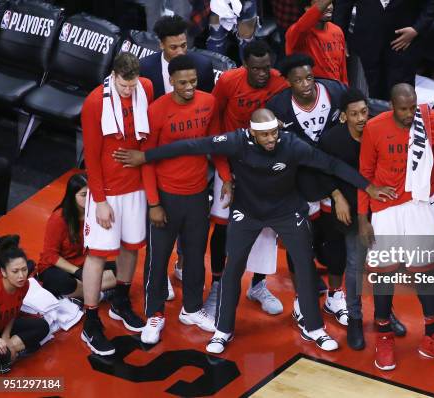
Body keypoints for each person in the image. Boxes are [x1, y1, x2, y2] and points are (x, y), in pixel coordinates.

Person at [113, 108, 396, 354]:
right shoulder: (236, 142)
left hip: (286, 210)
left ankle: (313, 327)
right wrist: (145, 156)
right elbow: (192, 145)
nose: (272, 139)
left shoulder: (292, 144)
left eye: (275, 133)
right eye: (266, 135)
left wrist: (367, 186)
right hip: (247, 212)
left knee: (305, 267)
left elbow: (332, 164)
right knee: (233, 267)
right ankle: (223, 330)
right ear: (252, 133)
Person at [358, 83, 434, 371]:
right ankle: (384, 335)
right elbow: (365, 174)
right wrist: (362, 218)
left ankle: (433, 339)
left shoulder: (432, 122)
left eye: (412, 107)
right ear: (392, 106)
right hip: (386, 209)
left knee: (428, 274)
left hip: (422, 204)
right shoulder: (374, 127)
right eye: (402, 109)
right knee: (384, 275)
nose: (408, 114)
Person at [140, 55, 232, 344]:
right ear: (171, 82)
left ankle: (191, 308)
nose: (190, 86)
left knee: (194, 257)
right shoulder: (156, 111)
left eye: (193, 81)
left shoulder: (208, 103)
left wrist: (226, 177)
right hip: (165, 198)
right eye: (183, 82)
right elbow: (146, 161)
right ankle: (154, 314)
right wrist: (154, 203)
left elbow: (216, 142)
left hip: (197, 195)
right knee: (157, 261)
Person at [267, 54, 350, 327]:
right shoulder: (277, 106)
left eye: (309, 78)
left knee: (336, 243)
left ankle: (336, 296)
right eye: (299, 80)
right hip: (299, 185)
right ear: (288, 82)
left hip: (333, 181)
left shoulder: (336, 92)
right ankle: (302, 299)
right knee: (299, 244)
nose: (306, 85)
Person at [80, 52, 153, 356]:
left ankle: (120, 301)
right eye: (124, 86)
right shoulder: (95, 102)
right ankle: (90, 319)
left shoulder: (146, 88)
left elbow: (148, 142)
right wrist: (99, 200)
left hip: (135, 187)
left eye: (132, 85)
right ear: (113, 76)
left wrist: (151, 192)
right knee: (97, 255)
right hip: (107, 192)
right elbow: (92, 155)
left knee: (131, 247)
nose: (129, 91)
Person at [210, 40, 289, 316]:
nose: (262, 74)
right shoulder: (228, 82)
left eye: (267, 67)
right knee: (221, 225)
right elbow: (214, 125)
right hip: (231, 161)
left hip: (263, 167)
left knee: (265, 227)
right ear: (245, 65)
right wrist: (224, 172)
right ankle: (217, 285)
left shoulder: (280, 83)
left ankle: (257, 285)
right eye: (256, 68)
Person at [316, 87, 368, 349]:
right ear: (344, 117)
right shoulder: (332, 140)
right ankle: (355, 318)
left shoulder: (375, 133)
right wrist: (337, 196)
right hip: (349, 208)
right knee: (354, 264)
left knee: (384, 265)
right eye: (354, 114)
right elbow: (322, 171)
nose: (361, 118)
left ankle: (386, 313)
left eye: (364, 112)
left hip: (377, 207)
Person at [333, 0, 434, 100]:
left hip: (404, 43)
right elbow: (342, 5)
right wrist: (339, 37)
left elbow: (433, 2)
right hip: (367, 42)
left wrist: (417, 29)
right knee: (371, 95)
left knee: (402, 96)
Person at [37, 173, 116, 299]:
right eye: (84, 195)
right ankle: (97, 295)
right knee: (65, 282)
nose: (89, 198)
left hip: (84, 265)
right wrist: (77, 272)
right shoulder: (59, 218)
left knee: (119, 270)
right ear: (72, 196)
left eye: (92, 194)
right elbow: (50, 255)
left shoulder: (96, 213)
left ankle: (78, 292)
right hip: (57, 267)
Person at [0, 235, 49, 375]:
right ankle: (8, 354)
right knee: (3, 356)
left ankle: (9, 351)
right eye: (15, 271)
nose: (21, 276)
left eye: (24, 270)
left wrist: (7, 338)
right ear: (3, 272)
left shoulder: (24, 285)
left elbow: (13, 313)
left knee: (42, 326)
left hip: (0, 328)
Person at [140, 15, 215, 99]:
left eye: (183, 45)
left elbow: (208, 101)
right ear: (161, 45)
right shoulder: (145, 68)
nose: (180, 52)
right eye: (173, 47)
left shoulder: (203, 66)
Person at [285, 0, 348, 84]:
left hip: (337, 92)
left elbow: (342, 70)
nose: (329, 7)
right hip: (311, 93)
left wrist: (345, 91)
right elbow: (302, 27)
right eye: (322, 3)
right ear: (307, 9)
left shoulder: (337, 31)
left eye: (330, 3)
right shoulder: (295, 33)